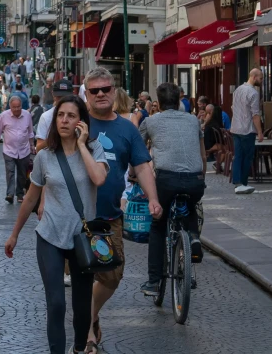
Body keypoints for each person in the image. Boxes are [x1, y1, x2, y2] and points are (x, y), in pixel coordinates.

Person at [4, 96, 108, 354]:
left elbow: (99, 178)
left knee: (82, 305)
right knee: (57, 303)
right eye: (61, 115)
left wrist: (82, 145)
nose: (64, 120)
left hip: (82, 240)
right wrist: (14, 234)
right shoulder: (45, 156)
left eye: (71, 116)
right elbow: (30, 197)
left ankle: (78, 347)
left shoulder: (95, 149)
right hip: (50, 236)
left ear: (80, 122)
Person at [84, 68, 160, 350]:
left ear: (115, 92)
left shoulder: (127, 128)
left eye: (106, 89)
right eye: (95, 90)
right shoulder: (76, 121)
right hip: (76, 217)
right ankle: (87, 335)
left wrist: (153, 198)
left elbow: (141, 166)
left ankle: (90, 317)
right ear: (87, 93)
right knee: (82, 276)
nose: (101, 94)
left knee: (112, 275)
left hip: (110, 216)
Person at [138, 82, 206, 296]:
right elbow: (203, 156)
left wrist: (134, 175)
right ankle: (193, 237)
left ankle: (153, 281)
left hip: (166, 180)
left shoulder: (150, 121)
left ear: (157, 103)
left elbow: (139, 154)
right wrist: (201, 177)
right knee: (191, 204)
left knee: (158, 225)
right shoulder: (193, 120)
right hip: (194, 180)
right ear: (179, 101)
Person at [228, 68, 265, 194]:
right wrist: (259, 132)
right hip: (247, 129)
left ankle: (237, 182)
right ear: (254, 77)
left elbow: (233, 107)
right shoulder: (253, 93)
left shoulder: (238, 90)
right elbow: (255, 114)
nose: (262, 80)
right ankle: (243, 183)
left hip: (236, 128)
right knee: (247, 157)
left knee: (238, 156)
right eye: (261, 78)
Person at [0, 95, 34, 204]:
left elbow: (30, 132)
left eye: (19, 106)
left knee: (22, 174)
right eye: (14, 107)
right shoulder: (3, 116)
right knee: (10, 172)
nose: (17, 109)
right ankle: (10, 194)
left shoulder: (27, 115)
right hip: (9, 150)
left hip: (24, 150)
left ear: (21, 106)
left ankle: (20, 193)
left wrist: (32, 146)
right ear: (10, 106)